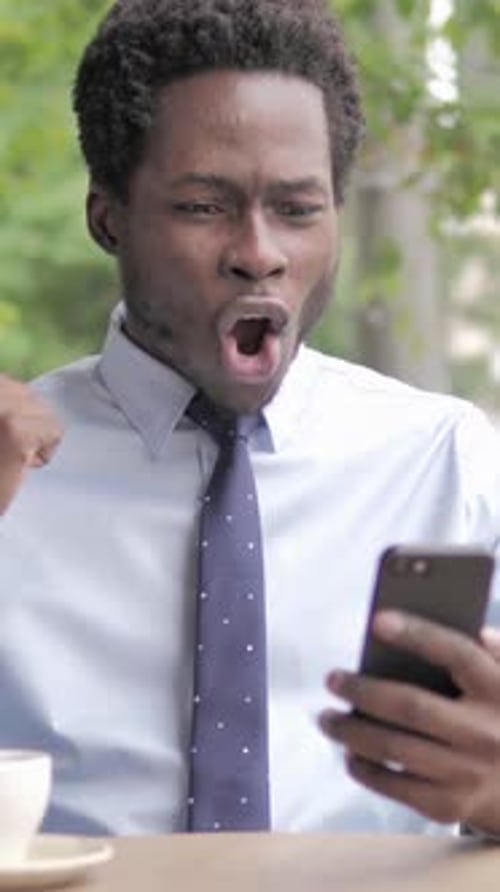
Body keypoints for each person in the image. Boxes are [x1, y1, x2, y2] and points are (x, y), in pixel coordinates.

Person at [2, 0, 500, 839]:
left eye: (298, 209)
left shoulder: (450, 461)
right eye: (204, 206)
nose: (259, 252)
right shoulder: (12, 475)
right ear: (107, 216)